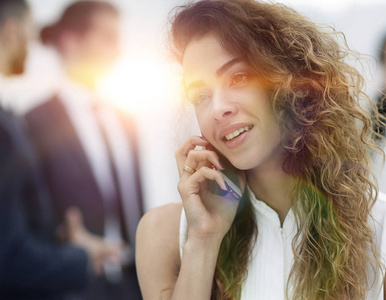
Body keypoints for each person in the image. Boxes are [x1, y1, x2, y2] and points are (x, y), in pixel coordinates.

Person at [136, 0, 386, 299]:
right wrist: (203, 241)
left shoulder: (378, 226)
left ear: (292, 81)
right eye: (201, 95)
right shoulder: (165, 234)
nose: (218, 109)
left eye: (238, 78)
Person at [0, 0, 122, 299]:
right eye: (30, 31)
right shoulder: (22, 122)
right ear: (12, 31)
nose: (34, 41)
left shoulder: (124, 119)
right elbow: (8, 248)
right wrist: (80, 257)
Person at [25, 1, 143, 300]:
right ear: (70, 41)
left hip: (132, 284)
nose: (117, 49)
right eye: (107, 37)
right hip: (71, 287)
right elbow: (29, 214)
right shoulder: (32, 122)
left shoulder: (126, 120)